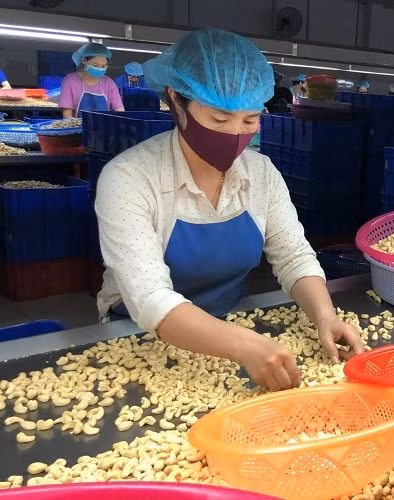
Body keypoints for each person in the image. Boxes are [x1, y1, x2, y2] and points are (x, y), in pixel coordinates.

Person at [95, 29, 364, 392]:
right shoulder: (130, 178)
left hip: (234, 322)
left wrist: (324, 316)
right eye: (220, 119)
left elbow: (294, 256)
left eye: (250, 120)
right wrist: (246, 345)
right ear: (176, 101)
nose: (236, 134)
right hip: (138, 336)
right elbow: (150, 299)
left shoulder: (261, 173)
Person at [59, 42, 124, 118]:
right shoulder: (70, 80)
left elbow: (120, 110)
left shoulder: (109, 83)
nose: (99, 68)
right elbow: (67, 116)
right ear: (84, 61)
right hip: (78, 128)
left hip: (103, 127)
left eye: (103, 66)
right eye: (95, 65)